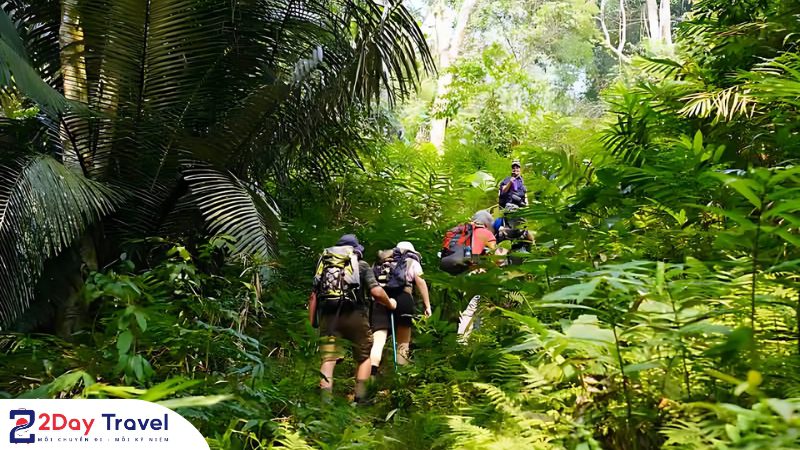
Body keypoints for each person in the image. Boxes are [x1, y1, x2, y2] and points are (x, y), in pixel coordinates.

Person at [308, 234, 397, 404]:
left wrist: (313, 322)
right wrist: (390, 304)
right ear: (356, 250)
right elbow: (376, 292)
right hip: (355, 315)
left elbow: (313, 296)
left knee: (328, 359)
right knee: (363, 357)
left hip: (328, 316)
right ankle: (361, 399)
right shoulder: (361, 265)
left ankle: (325, 403)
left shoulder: (325, 266)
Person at [369, 242, 431, 373]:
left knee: (379, 336)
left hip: (380, 299)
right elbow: (420, 281)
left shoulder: (380, 263)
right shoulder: (411, 261)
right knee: (403, 340)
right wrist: (427, 305)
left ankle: (372, 370)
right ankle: (401, 374)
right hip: (403, 298)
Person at [453, 210, 505, 338]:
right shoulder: (484, 233)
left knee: (466, 310)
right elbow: (499, 259)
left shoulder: (463, 232)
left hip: (457, 276)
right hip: (474, 276)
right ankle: (464, 342)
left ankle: (468, 340)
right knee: (471, 311)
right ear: (487, 225)